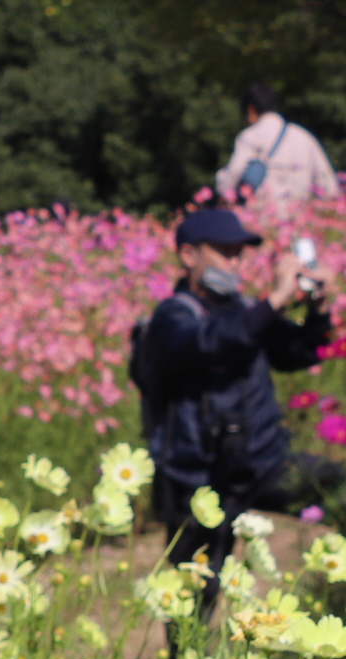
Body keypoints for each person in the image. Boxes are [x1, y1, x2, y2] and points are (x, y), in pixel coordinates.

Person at [140, 205, 341, 617]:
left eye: (238, 253)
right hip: (199, 478)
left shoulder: (245, 310)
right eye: (224, 251)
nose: (234, 261)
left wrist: (317, 307)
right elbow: (213, 340)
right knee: (193, 590)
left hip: (262, 462)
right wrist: (277, 299)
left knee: (338, 489)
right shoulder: (172, 317)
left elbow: (301, 352)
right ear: (189, 255)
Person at [220, 84, 338, 226]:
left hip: (262, 221)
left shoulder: (249, 137)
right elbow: (327, 183)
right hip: (300, 222)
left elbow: (234, 173)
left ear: (251, 109)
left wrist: (223, 191)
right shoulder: (304, 137)